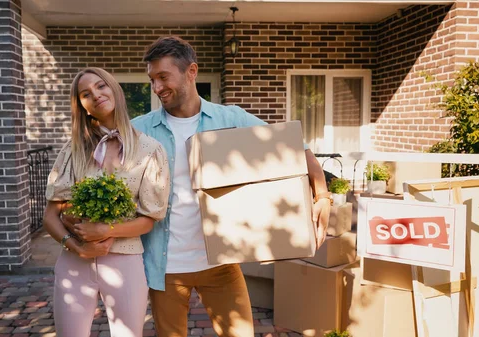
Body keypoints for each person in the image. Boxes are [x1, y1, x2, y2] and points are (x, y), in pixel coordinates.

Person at [130, 36, 332, 337]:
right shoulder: (140, 129)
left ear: (191, 72)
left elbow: (294, 147)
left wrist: (323, 196)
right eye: (152, 80)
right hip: (164, 266)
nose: (157, 87)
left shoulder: (230, 118)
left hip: (220, 263)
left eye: (163, 77)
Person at [43, 67, 170, 337]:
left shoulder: (150, 150)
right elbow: (50, 216)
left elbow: (150, 219)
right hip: (74, 262)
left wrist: (106, 230)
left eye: (101, 86)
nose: (96, 95)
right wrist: (74, 244)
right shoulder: (72, 150)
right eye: (86, 94)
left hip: (125, 262)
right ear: (83, 107)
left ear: (115, 90)